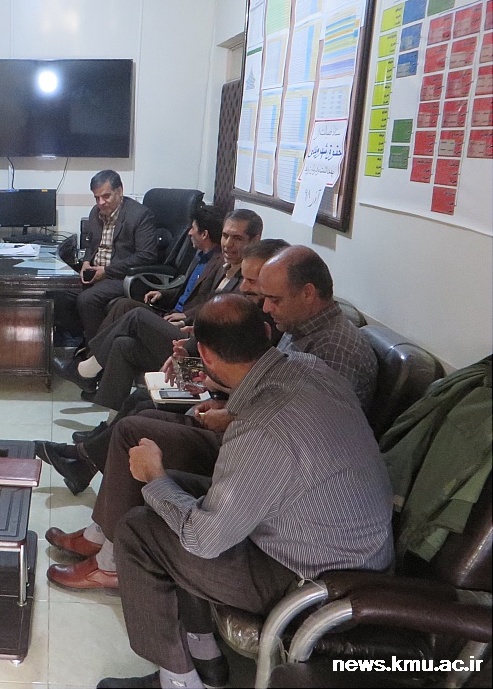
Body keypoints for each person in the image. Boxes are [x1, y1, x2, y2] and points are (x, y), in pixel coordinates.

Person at [94, 295, 393, 689]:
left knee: (140, 530)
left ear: (204, 353)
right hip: (349, 552)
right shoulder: (310, 368)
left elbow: (205, 540)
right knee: (179, 497)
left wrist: (154, 477)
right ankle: (206, 658)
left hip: (314, 582)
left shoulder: (261, 430)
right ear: (265, 333)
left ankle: (178, 682)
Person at [39, 238, 288, 497]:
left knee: (135, 331)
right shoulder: (241, 290)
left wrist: (212, 386)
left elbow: (250, 380)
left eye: (252, 281)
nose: (245, 286)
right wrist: (191, 342)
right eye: (245, 279)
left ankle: (84, 434)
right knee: (128, 356)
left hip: (217, 390)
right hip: (207, 370)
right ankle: (88, 453)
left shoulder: (269, 319)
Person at [56, 209, 262, 411]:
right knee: (123, 344)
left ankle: (86, 370)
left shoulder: (251, 283)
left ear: (255, 240)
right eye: (225, 236)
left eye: (237, 238)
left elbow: (218, 319)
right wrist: (167, 297)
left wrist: (186, 320)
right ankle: (108, 419)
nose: (227, 244)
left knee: (136, 316)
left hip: (199, 359)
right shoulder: (225, 267)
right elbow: (204, 302)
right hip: (189, 339)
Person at [259, 245, 378, 410]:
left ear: (308, 293)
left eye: (275, 300)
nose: (266, 308)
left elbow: (317, 420)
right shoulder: (298, 323)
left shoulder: (335, 351)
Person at [54, 170, 158, 342]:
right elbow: (90, 244)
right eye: (97, 198)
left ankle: (98, 349)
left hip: (121, 277)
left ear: (120, 191)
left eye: (106, 196)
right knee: (59, 294)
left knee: (87, 299)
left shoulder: (140, 215)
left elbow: (146, 256)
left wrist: (107, 271)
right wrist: (86, 262)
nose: (100, 203)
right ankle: (85, 339)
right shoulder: (95, 213)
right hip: (95, 273)